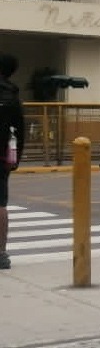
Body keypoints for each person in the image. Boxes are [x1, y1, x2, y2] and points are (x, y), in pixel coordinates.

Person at [0, 52, 25, 271]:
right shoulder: (12, 95)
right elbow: (20, 129)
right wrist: (16, 159)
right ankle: (1, 254)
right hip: (2, 156)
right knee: (1, 204)